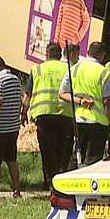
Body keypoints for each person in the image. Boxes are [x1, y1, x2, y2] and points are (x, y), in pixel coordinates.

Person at [60, 41, 110, 167]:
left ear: (87, 53)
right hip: (98, 123)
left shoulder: (74, 69)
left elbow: (62, 93)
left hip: (79, 121)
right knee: (93, 161)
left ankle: (69, 184)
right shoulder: (103, 72)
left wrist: (79, 101)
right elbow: (108, 102)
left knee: (76, 157)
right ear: (102, 55)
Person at [24, 43, 72, 188]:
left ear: (46, 54)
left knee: (47, 148)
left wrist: (23, 112)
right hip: (65, 114)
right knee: (63, 149)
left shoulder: (37, 69)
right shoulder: (68, 69)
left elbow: (27, 94)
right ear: (60, 55)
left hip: (43, 114)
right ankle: (61, 179)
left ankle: (49, 180)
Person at [0, 55, 24, 199]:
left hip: (0, 128)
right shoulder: (16, 79)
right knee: (12, 160)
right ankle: (17, 190)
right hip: (13, 127)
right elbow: (19, 100)